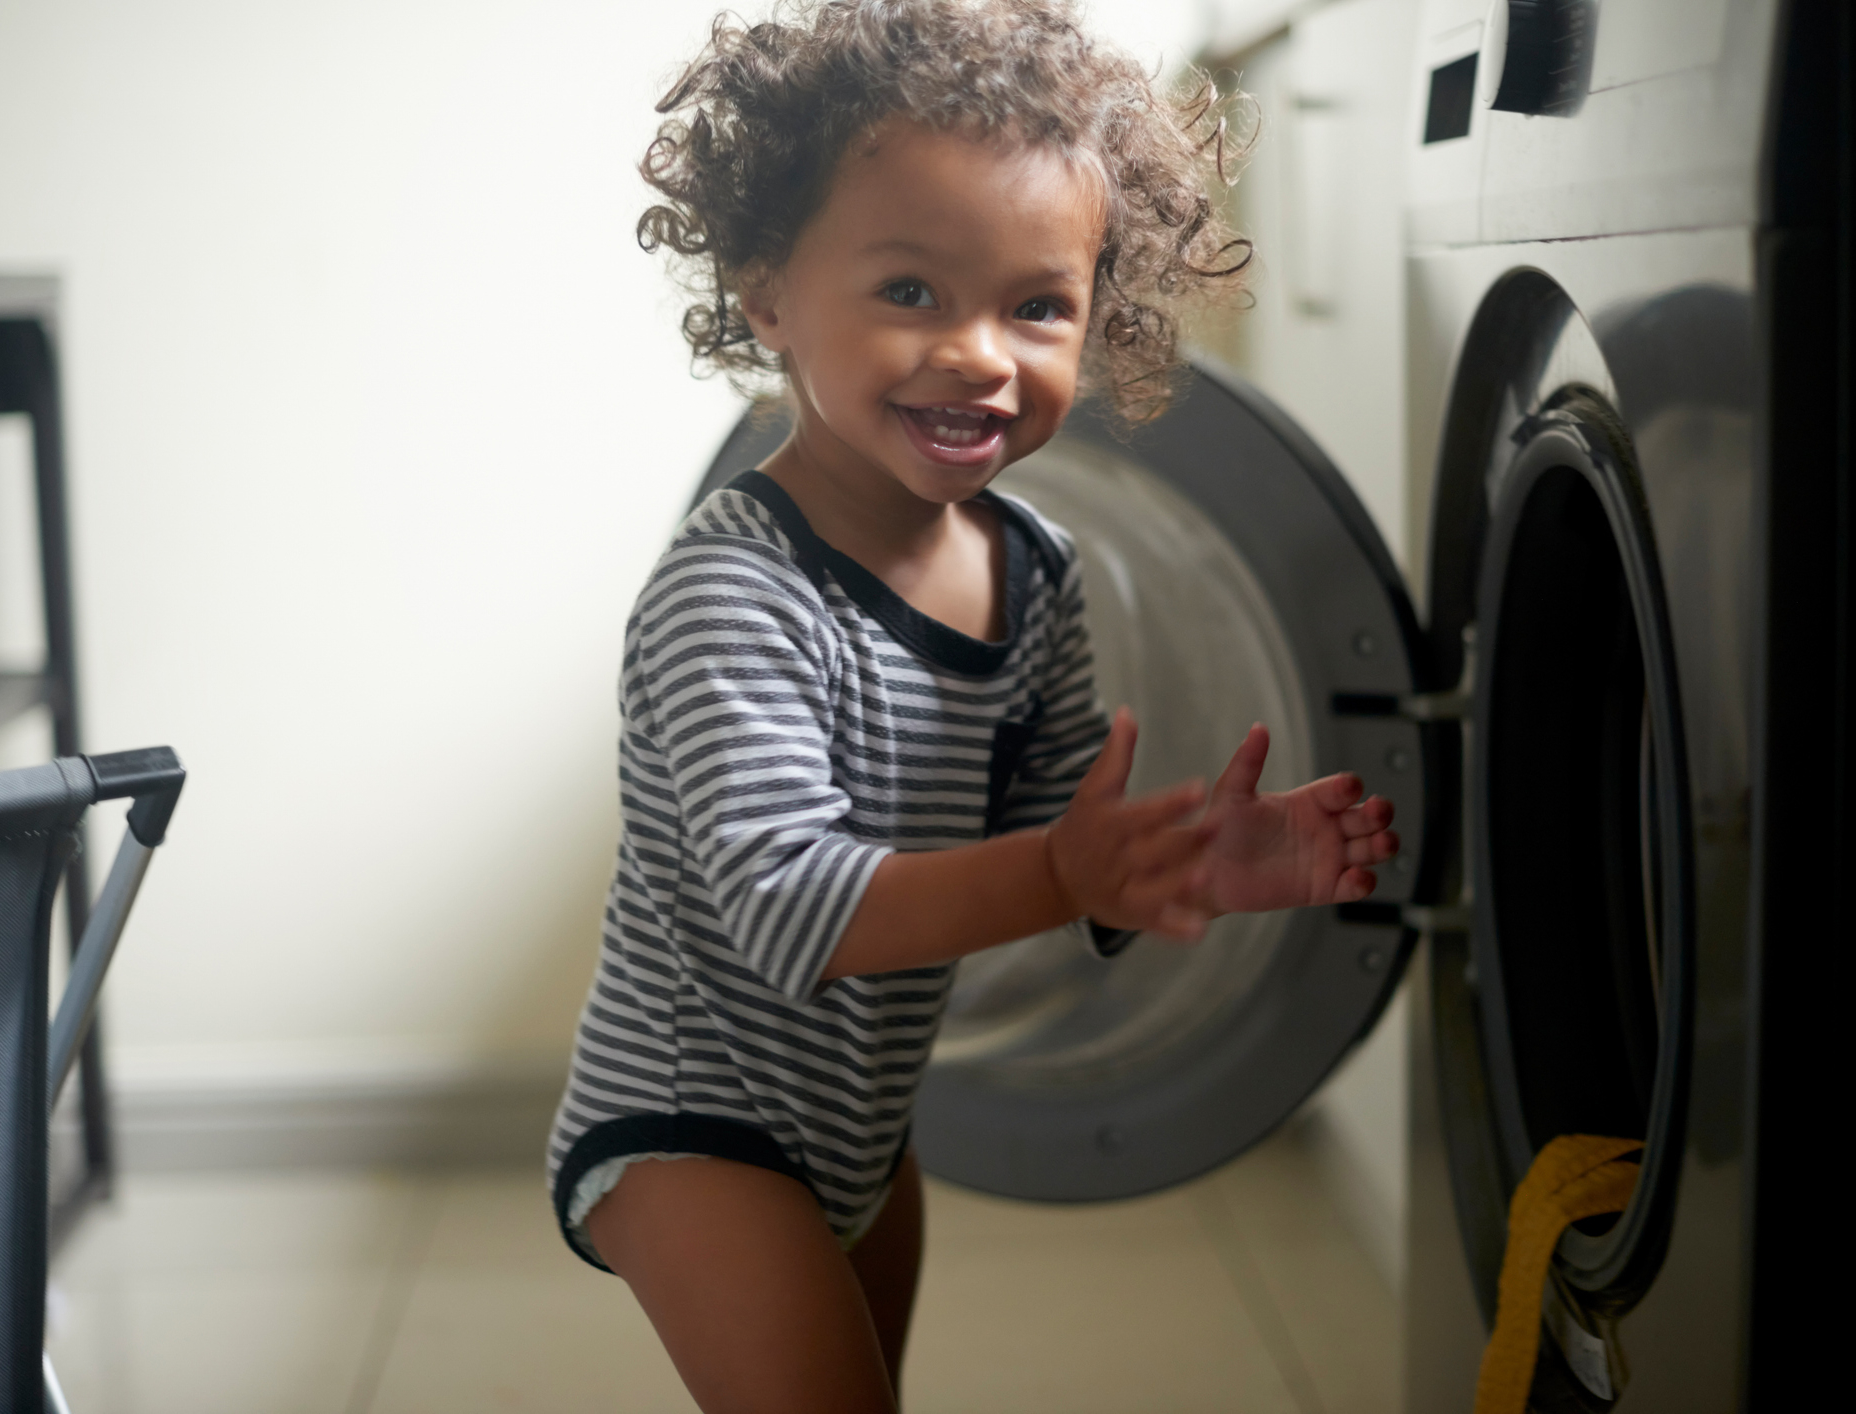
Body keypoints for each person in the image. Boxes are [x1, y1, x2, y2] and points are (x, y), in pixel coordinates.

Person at [547, 3, 1399, 1408]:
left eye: (1038, 305)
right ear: (765, 290)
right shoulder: (732, 593)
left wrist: (1168, 864)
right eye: (911, 294)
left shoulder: (1037, 570)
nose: (982, 353)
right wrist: (1067, 865)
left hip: (865, 1122)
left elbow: (1061, 834)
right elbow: (793, 907)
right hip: (693, 1114)